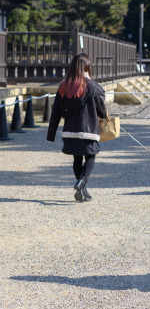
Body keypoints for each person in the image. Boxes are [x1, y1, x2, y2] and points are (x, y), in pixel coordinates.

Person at [46, 53, 107, 202]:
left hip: (70, 131)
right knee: (91, 156)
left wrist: (51, 135)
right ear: (87, 67)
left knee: (77, 158)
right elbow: (103, 111)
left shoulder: (64, 86)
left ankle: (83, 191)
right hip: (89, 131)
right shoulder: (93, 86)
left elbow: (56, 112)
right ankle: (82, 182)